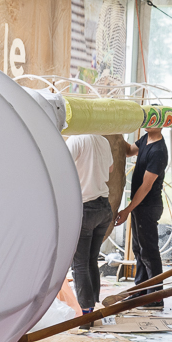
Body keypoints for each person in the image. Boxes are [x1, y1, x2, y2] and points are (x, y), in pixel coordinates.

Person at [115, 126, 169, 306]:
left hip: (148, 205)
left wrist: (127, 209)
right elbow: (130, 150)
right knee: (139, 249)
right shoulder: (146, 138)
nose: (147, 122)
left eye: (153, 119)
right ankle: (141, 291)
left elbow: (146, 187)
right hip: (141, 205)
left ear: (161, 123)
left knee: (149, 251)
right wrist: (115, 132)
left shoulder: (159, 150)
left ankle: (155, 296)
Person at [66, 133, 114, 312]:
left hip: (85, 206)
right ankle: (93, 305)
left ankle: (86, 312)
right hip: (103, 207)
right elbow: (109, 169)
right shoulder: (103, 140)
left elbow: (63, 165)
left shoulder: (75, 140)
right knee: (91, 260)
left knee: (79, 263)